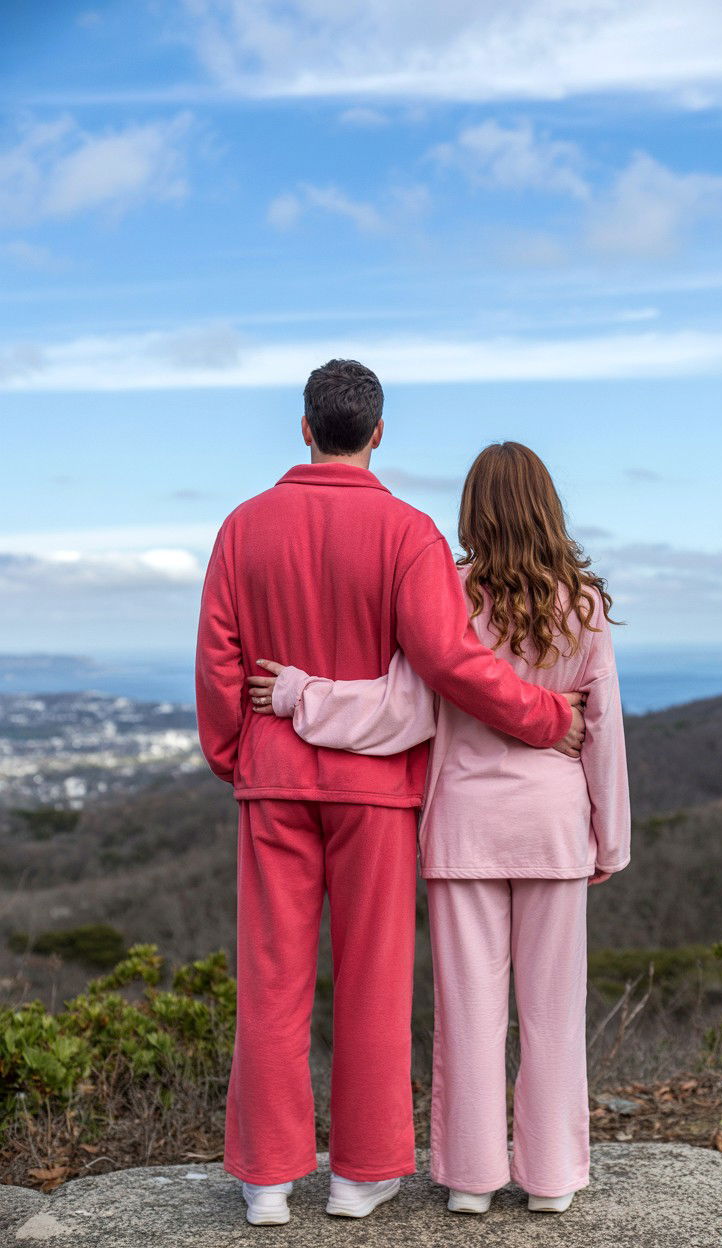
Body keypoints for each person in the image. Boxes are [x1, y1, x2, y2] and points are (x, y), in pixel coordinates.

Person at [194, 363, 586, 1226]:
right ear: (378, 434)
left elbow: (220, 662)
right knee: (372, 980)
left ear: (303, 428)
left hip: (274, 778)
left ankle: (265, 1181)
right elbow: (448, 664)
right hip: (376, 793)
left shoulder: (242, 529)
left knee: (271, 979)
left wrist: (240, 754)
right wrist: (545, 713)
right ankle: (359, 1175)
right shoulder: (409, 534)